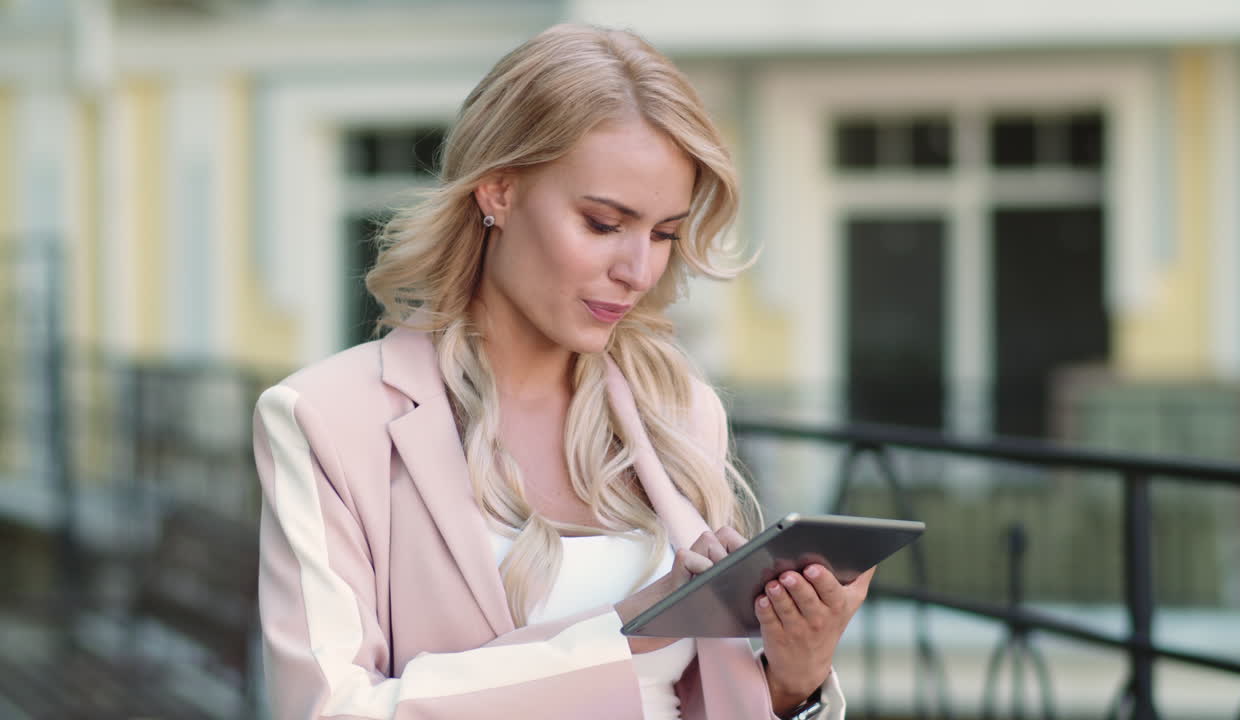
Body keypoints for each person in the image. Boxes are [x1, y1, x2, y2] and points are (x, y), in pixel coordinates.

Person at [252, 23, 875, 720]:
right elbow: (326, 711)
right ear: (498, 191)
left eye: (664, 234)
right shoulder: (327, 417)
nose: (637, 270)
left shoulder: (681, 414)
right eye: (604, 223)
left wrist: (796, 681)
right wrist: (626, 634)